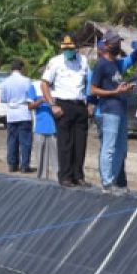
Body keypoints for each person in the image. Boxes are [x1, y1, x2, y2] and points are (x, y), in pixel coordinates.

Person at [40, 33, 91, 187]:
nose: (68, 51)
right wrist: (52, 105)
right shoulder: (55, 62)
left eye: (71, 48)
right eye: (65, 48)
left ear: (77, 48)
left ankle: (78, 176)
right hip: (63, 105)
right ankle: (65, 176)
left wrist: (90, 103)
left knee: (80, 144)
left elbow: (88, 81)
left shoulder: (84, 61)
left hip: (79, 104)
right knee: (65, 143)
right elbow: (44, 84)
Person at [89, 31, 135, 190]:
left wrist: (125, 89)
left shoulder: (116, 63)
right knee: (109, 147)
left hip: (121, 109)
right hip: (109, 110)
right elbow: (94, 89)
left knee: (122, 148)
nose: (118, 45)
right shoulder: (101, 64)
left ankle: (114, 179)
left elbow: (117, 84)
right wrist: (114, 93)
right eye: (115, 43)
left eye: (118, 42)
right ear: (107, 44)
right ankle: (107, 182)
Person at [0, 59, 39, 174]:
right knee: (25, 141)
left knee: (12, 140)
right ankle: (24, 165)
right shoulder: (27, 81)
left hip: (11, 114)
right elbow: (31, 97)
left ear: (12, 69)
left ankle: (12, 164)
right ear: (21, 68)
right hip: (24, 112)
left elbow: (4, 99)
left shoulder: (5, 82)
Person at [32, 90, 58, 181]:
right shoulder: (34, 87)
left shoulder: (57, 87)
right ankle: (41, 181)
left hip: (55, 129)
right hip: (39, 128)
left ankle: (57, 180)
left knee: (56, 159)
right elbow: (30, 106)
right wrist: (42, 100)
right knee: (40, 160)